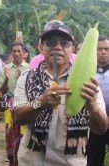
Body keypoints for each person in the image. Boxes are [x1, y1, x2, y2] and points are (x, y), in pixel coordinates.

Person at [13, 22, 108, 166]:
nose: (58, 47)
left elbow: (101, 129)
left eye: (65, 42)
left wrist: (92, 106)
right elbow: (17, 117)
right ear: (41, 47)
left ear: (73, 50)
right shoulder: (27, 78)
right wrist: (39, 103)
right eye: (50, 42)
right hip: (31, 162)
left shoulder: (88, 82)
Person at [0, 41, 28, 166]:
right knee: (11, 137)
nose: (16, 53)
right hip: (10, 105)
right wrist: (6, 79)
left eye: (19, 51)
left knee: (25, 137)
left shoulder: (30, 68)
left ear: (24, 53)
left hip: (26, 106)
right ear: (11, 53)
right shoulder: (6, 69)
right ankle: (12, 161)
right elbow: (2, 91)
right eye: (14, 51)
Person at [87, 35, 109, 166]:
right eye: (100, 49)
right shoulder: (87, 70)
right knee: (95, 157)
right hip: (95, 118)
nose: (103, 52)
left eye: (107, 49)